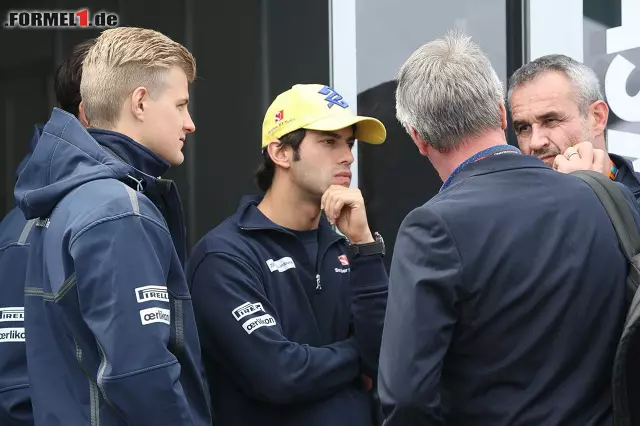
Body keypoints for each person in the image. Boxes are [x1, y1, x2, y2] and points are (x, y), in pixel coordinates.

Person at [378, 31, 636, 425]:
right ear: (501, 114)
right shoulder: (606, 196)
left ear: (418, 139)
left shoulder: (432, 226)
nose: (538, 139)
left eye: (551, 119)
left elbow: (406, 396)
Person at [13, 27, 211, 426]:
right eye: (180, 105)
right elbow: (141, 373)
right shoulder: (118, 211)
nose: (189, 123)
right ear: (140, 102)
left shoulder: (69, 201)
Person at [186, 83, 389, 426]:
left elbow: (387, 361)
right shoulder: (224, 255)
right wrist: (358, 356)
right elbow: (278, 374)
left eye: (349, 142)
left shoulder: (347, 246)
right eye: (329, 141)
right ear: (280, 152)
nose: (348, 156)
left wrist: (365, 246)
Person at [0, 37, 94, 426]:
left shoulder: (135, 208)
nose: (188, 123)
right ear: (90, 111)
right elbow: (16, 392)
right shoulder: (24, 235)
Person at [508, 54, 640, 201]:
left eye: (550, 120)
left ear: (597, 118)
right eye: (524, 128)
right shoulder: (516, 209)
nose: (535, 142)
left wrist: (589, 190)